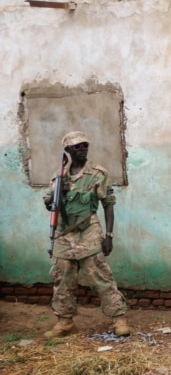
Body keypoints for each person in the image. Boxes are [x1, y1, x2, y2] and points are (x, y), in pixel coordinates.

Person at [42, 131, 130, 338]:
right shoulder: (58, 176)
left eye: (84, 146)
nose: (82, 150)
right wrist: (58, 192)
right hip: (64, 234)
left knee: (101, 276)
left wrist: (109, 235)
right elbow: (48, 204)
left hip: (88, 231)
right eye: (77, 147)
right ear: (68, 150)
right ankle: (65, 322)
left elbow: (108, 205)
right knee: (62, 279)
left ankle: (119, 319)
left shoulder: (97, 174)